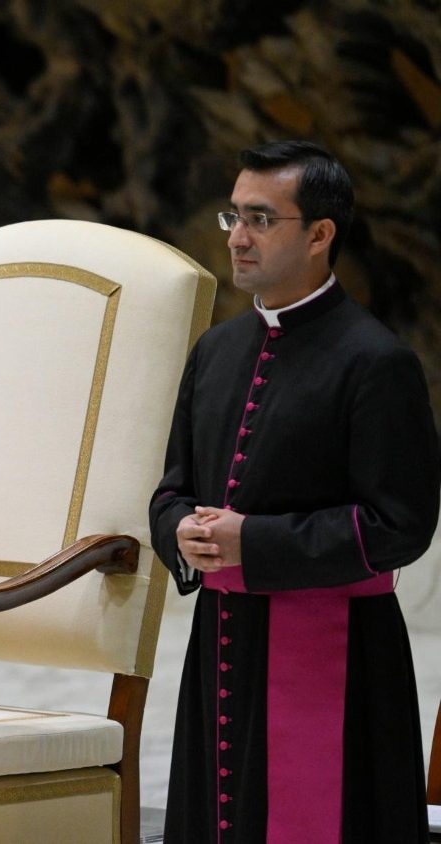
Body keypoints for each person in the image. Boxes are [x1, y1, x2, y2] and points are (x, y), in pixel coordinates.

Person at [150, 140, 439, 843]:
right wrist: (180, 530)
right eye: (234, 216)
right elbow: (171, 491)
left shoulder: (377, 362)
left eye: (260, 219)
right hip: (222, 644)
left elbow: (400, 525)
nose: (237, 237)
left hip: (337, 657)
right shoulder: (215, 352)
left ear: (319, 234)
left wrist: (252, 541)